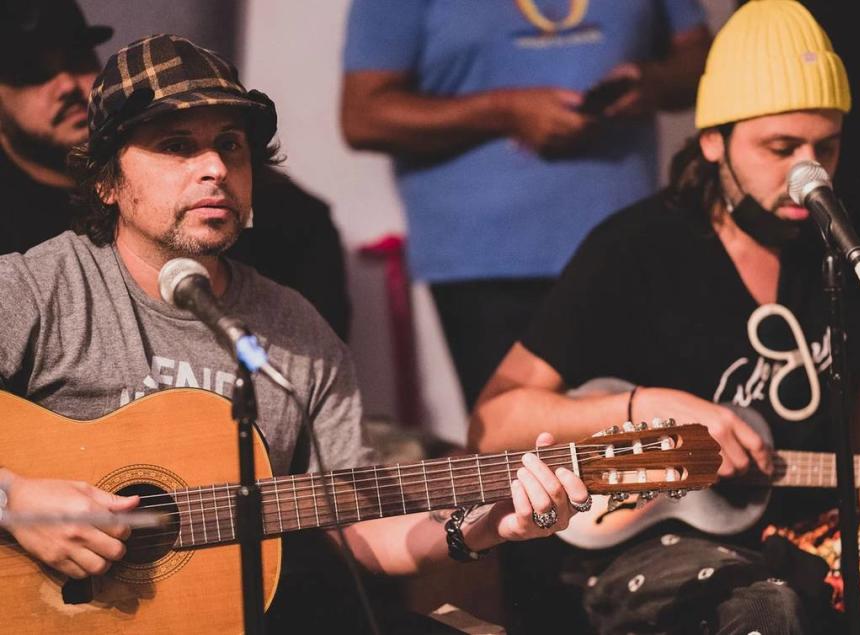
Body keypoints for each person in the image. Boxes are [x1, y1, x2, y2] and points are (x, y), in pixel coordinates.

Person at [0, 34, 590, 631]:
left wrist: (482, 527)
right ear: (106, 181)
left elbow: (354, 524)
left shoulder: (295, 330)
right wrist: (15, 501)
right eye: (177, 146)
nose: (215, 168)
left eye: (230, 146)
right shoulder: (38, 289)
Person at [470, 1, 860, 632]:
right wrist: (649, 409)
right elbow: (492, 421)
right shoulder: (637, 249)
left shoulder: (845, 253)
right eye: (780, 147)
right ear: (712, 141)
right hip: (645, 547)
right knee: (764, 605)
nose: (807, 173)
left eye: (826, 147)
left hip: (809, 535)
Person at [340, 0, 711, 409]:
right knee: (519, 453)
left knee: (650, 438)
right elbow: (362, 114)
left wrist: (653, 81)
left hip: (628, 246)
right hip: (485, 261)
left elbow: (701, 58)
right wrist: (504, 111)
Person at [0, 0, 351, 339]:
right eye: (32, 73)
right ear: (106, 185)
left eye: (78, 59)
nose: (67, 86)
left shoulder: (273, 210)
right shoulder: (24, 282)